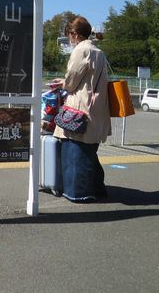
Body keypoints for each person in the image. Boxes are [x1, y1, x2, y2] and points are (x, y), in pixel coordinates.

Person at [49, 15, 111, 202]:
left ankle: (79, 192)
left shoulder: (80, 50)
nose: (70, 40)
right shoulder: (97, 50)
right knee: (90, 150)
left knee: (76, 150)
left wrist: (63, 83)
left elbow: (72, 82)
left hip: (81, 108)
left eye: (69, 36)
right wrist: (67, 82)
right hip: (97, 106)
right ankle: (97, 187)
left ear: (75, 34)